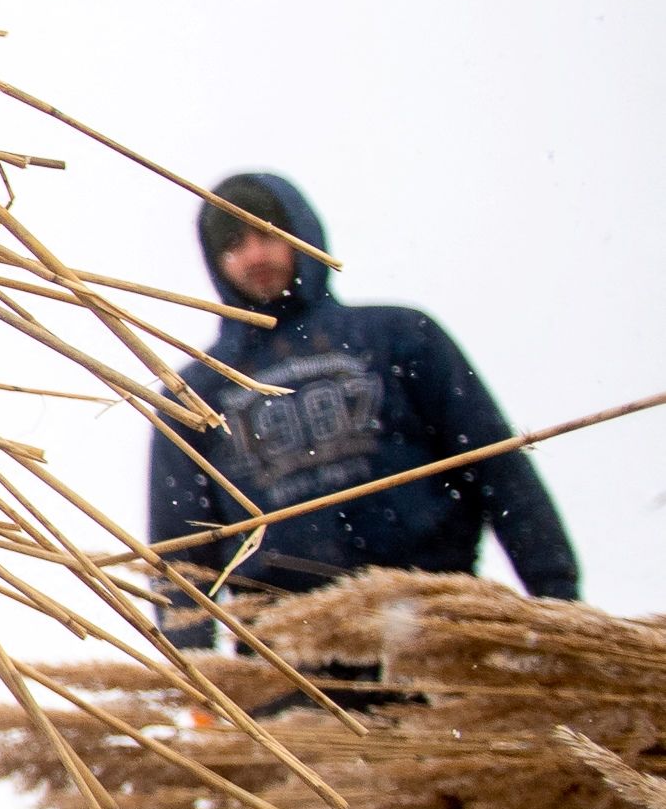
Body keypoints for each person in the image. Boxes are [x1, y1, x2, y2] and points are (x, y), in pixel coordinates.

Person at [148, 170, 577, 648]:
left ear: (301, 232)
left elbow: (503, 475)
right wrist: (194, 669)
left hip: (434, 633)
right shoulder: (194, 394)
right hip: (286, 656)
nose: (254, 255)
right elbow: (180, 556)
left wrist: (559, 610)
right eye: (233, 245)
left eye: (266, 233)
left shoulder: (401, 338)